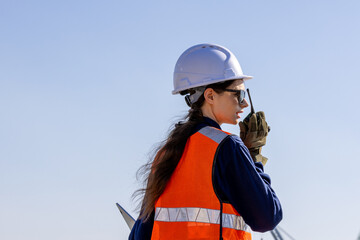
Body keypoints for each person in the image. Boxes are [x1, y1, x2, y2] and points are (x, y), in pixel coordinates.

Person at [129, 43, 282, 240]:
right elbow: (268, 217)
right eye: (239, 94)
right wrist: (254, 158)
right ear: (210, 95)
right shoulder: (227, 147)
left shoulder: (166, 152)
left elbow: (140, 233)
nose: (244, 103)